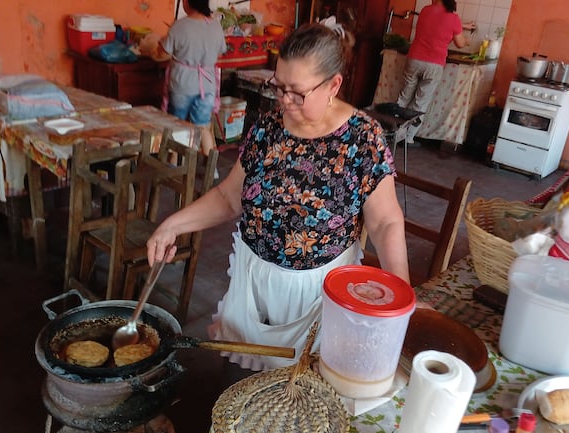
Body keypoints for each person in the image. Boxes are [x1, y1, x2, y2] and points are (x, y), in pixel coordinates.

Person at [145, 23, 409, 371]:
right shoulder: (267, 129)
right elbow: (229, 198)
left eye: (296, 93)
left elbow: (385, 221)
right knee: (244, 389)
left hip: (320, 294)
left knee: (304, 391)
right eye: (278, 87)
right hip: (254, 285)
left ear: (333, 85)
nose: (283, 100)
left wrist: (401, 293)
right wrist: (172, 225)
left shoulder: (363, 139)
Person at [396, 0, 475, 147]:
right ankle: (408, 138)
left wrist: (460, 25)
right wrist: (467, 41)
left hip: (413, 59)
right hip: (434, 64)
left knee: (404, 96)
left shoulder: (426, 10)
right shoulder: (453, 18)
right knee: (420, 102)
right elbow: (459, 43)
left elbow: (438, 22)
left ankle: (393, 132)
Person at [154, 0, 226, 156]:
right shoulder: (215, 26)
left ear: (187, 2)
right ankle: (211, 171)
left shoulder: (180, 26)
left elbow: (162, 53)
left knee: (176, 126)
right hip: (207, 86)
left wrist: (161, 42)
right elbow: (219, 53)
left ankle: (173, 167)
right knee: (203, 126)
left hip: (182, 84)